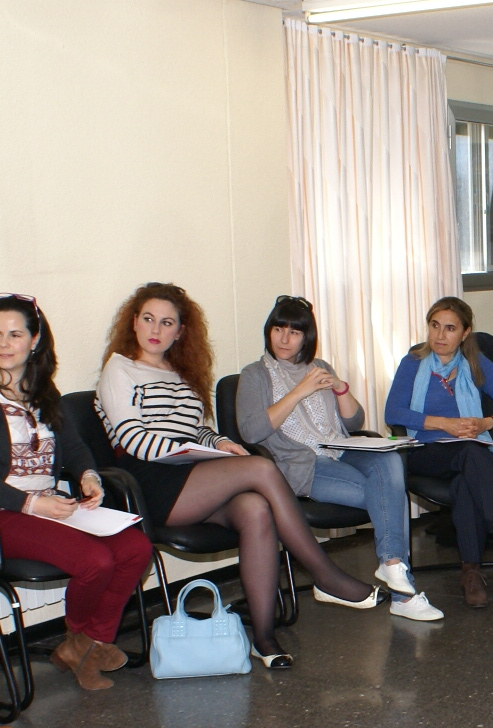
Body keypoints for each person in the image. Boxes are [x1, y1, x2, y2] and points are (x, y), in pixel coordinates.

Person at [96, 283, 379, 667]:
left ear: (180, 331)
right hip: (147, 482)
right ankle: (324, 574)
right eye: (148, 319)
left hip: (188, 475)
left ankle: (264, 639)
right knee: (260, 467)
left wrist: (219, 443)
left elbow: (195, 430)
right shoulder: (119, 368)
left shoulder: (180, 373)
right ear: (134, 322)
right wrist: (194, 455)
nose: (156, 329)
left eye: (167, 322)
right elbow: (133, 440)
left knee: (255, 510)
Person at [0, 295, 155, 692]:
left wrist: (89, 476)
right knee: (95, 560)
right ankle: (83, 642)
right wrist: (33, 503)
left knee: (136, 549)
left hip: (45, 504)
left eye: (15, 334)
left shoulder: (44, 392)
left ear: (35, 340)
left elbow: (73, 447)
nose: (3, 344)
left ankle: (88, 644)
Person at [236, 295, 443, 623]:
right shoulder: (255, 374)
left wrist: (340, 388)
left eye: (294, 332)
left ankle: (392, 569)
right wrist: (298, 392)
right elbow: (251, 431)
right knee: (389, 494)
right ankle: (403, 592)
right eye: (278, 329)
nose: (284, 339)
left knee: (390, 463)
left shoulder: (319, 368)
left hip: (341, 449)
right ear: (269, 331)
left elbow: (353, 422)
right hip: (301, 465)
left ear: (307, 337)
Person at [383, 297, 493, 609]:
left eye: (450, 328)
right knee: (472, 453)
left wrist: (488, 422)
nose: (440, 335)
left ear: (464, 333)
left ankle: (471, 573)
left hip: (470, 452)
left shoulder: (476, 364)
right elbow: (393, 412)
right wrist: (444, 424)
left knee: (467, 478)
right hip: (426, 451)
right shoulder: (413, 363)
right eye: (435, 326)